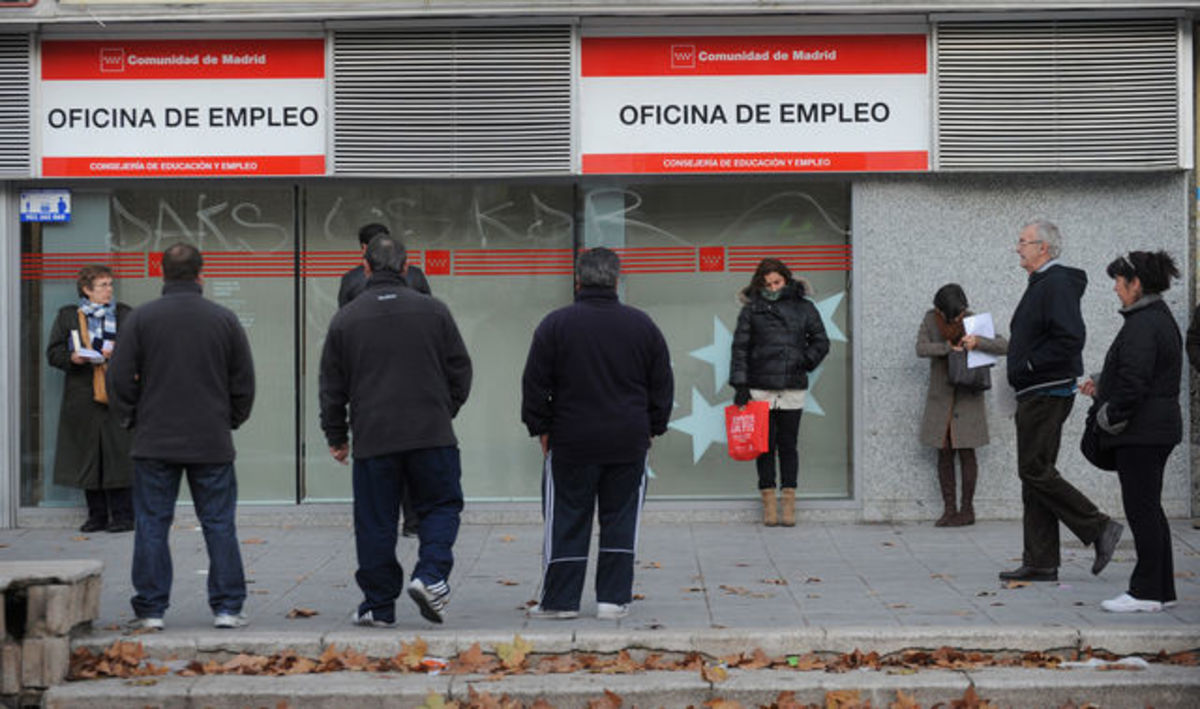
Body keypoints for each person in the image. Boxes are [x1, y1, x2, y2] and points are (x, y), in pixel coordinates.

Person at [320, 234, 472, 627]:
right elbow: (461, 371)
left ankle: (378, 605)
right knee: (440, 506)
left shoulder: (346, 318)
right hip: (431, 433)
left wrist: (337, 436)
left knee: (375, 520)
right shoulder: (434, 311)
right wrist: (443, 409)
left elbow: (331, 387)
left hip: (374, 436)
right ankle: (431, 575)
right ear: (407, 268)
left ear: (365, 267)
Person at [108, 244, 256, 630]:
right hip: (211, 439)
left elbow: (119, 378)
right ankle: (227, 607)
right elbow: (243, 381)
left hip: (154, 438)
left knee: (152, 523)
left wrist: (131, 418)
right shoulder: (223, 319)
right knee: (219, 523)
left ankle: (151, 609)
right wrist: (231, 419)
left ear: (162, 274)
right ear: (200, 275)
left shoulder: (141, 319)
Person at [521, 247, 673, 620]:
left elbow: (535, 383)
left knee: (567, 518)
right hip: (628, 439)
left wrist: (540, 426)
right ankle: (613, 599)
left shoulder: (556, 324)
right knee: (621, 518)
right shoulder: (642, 325)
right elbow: (662, 384)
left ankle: (560, 601)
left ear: (578, 280)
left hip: (571, 440)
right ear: (617, 280)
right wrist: (653, 426)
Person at [1001, 219, 1122, 583]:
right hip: (1036, 389)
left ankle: (1099, 526)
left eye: (1023, 241)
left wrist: (1029, 365)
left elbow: (1070, 338)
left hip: (1046, 390)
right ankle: (1040, 561)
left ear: (1044, 248)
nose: (1017, 247)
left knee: (1035, 469)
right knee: (1034, 474)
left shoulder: (1055, 284)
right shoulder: (1044, 282)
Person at [1080, 251, 1181, 612]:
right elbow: (1141, 373)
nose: (1115, 289)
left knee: (1141, 510)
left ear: (1136, 283)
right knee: (1150, 508)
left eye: (1119, 282)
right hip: (1155, 429)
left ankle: (1146, 592)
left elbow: (1136, 383)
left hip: (1141, 433)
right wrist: (1102, 383)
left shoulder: (1143, 324)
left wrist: (1108, 415)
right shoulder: (1156, 318)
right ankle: (1162, 590)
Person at [338, 222, 427, 538]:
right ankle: (414, 520)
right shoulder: (415, 277)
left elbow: (341, 336)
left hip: (369, 383)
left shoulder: (351, 281)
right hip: (415, 382)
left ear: (363, 251)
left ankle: (380, 523)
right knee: (413, 455)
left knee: (376, 459)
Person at [729, 258, 829, 527]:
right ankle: (769, 507)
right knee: (764, 447)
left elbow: (821, 341)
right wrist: (740, 386)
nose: (772, 287)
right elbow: (740, 349)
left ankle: (789, 506)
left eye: (777, 282)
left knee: (788, 446)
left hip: (791, 388)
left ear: (786, 279)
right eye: (767, 283)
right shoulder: (752, 310)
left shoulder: (804, 308)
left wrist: (804, 360)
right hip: (760, 388)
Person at [46, 265, 135, 533]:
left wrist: (121, 352)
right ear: (86, 290)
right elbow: (54, 352)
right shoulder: (69, 316)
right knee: (88, 455)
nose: (109, 290)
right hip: (82, 395)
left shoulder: (124, 314)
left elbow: (142, 349)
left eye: (110, 284)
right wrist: (73, 358)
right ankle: (96, 516)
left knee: (119, 453)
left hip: (117, 392)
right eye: (103, 285)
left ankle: (123, 515)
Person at [916, 284, 1008, 527]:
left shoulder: (973, 319)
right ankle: (949, 510)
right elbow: (921, 348)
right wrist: (948, 348)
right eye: (955, 314)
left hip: (968, 394)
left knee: (968, 452)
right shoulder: (930, 319)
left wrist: (978, 342)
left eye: (960, 313)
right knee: (943, 453)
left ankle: (967, 510)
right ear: (942, 310)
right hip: (941, 396)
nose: (959, 317)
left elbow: (1004, 345)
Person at [338, 222, 431, 307]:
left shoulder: (351, 279)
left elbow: (344, 315)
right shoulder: (415, 274)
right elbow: (428, 307)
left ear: (364, 248)